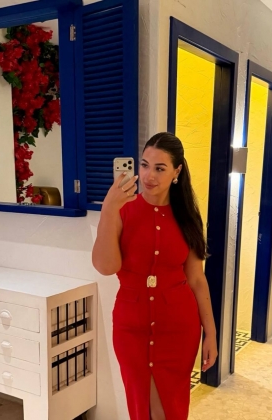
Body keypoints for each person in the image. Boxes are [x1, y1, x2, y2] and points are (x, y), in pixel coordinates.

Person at [92, 132, 218, 420]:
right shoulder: (122, 210)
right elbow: (106, 266)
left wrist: (210, 333)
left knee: (169, 408)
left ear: (177, 171)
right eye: (145, 165)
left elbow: (197, 280)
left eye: (160, 168)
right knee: (143, 408)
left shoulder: (187, 217)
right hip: (131, 327)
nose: (149, 175)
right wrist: (108, 210)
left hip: (178, 327)